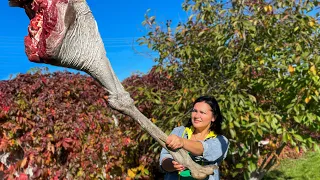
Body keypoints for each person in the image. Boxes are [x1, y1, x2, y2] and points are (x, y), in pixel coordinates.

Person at [159, 95, 229, 180]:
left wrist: (183, 142)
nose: (196, 116)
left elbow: (203, 149)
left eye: (202, 112)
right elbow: (164, 159)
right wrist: (172, 165)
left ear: (213, 117)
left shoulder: (221, 141)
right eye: (194, 111)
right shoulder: (179, 132)